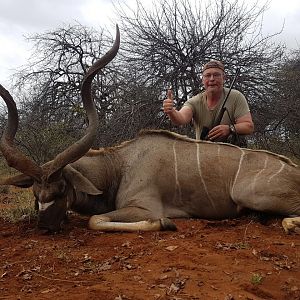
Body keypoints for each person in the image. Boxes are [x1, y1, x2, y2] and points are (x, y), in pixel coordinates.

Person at [163, 60, 254, 145]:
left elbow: (248, 126)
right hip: (203, 153)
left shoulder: (236, 97)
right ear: (203, 79)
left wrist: (230, 129)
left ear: (224, 78)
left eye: (216, 75)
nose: (211, 79)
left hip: (231, 154)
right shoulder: (195, 101)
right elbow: (181, 119)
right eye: (207, 75)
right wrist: (171, 111)